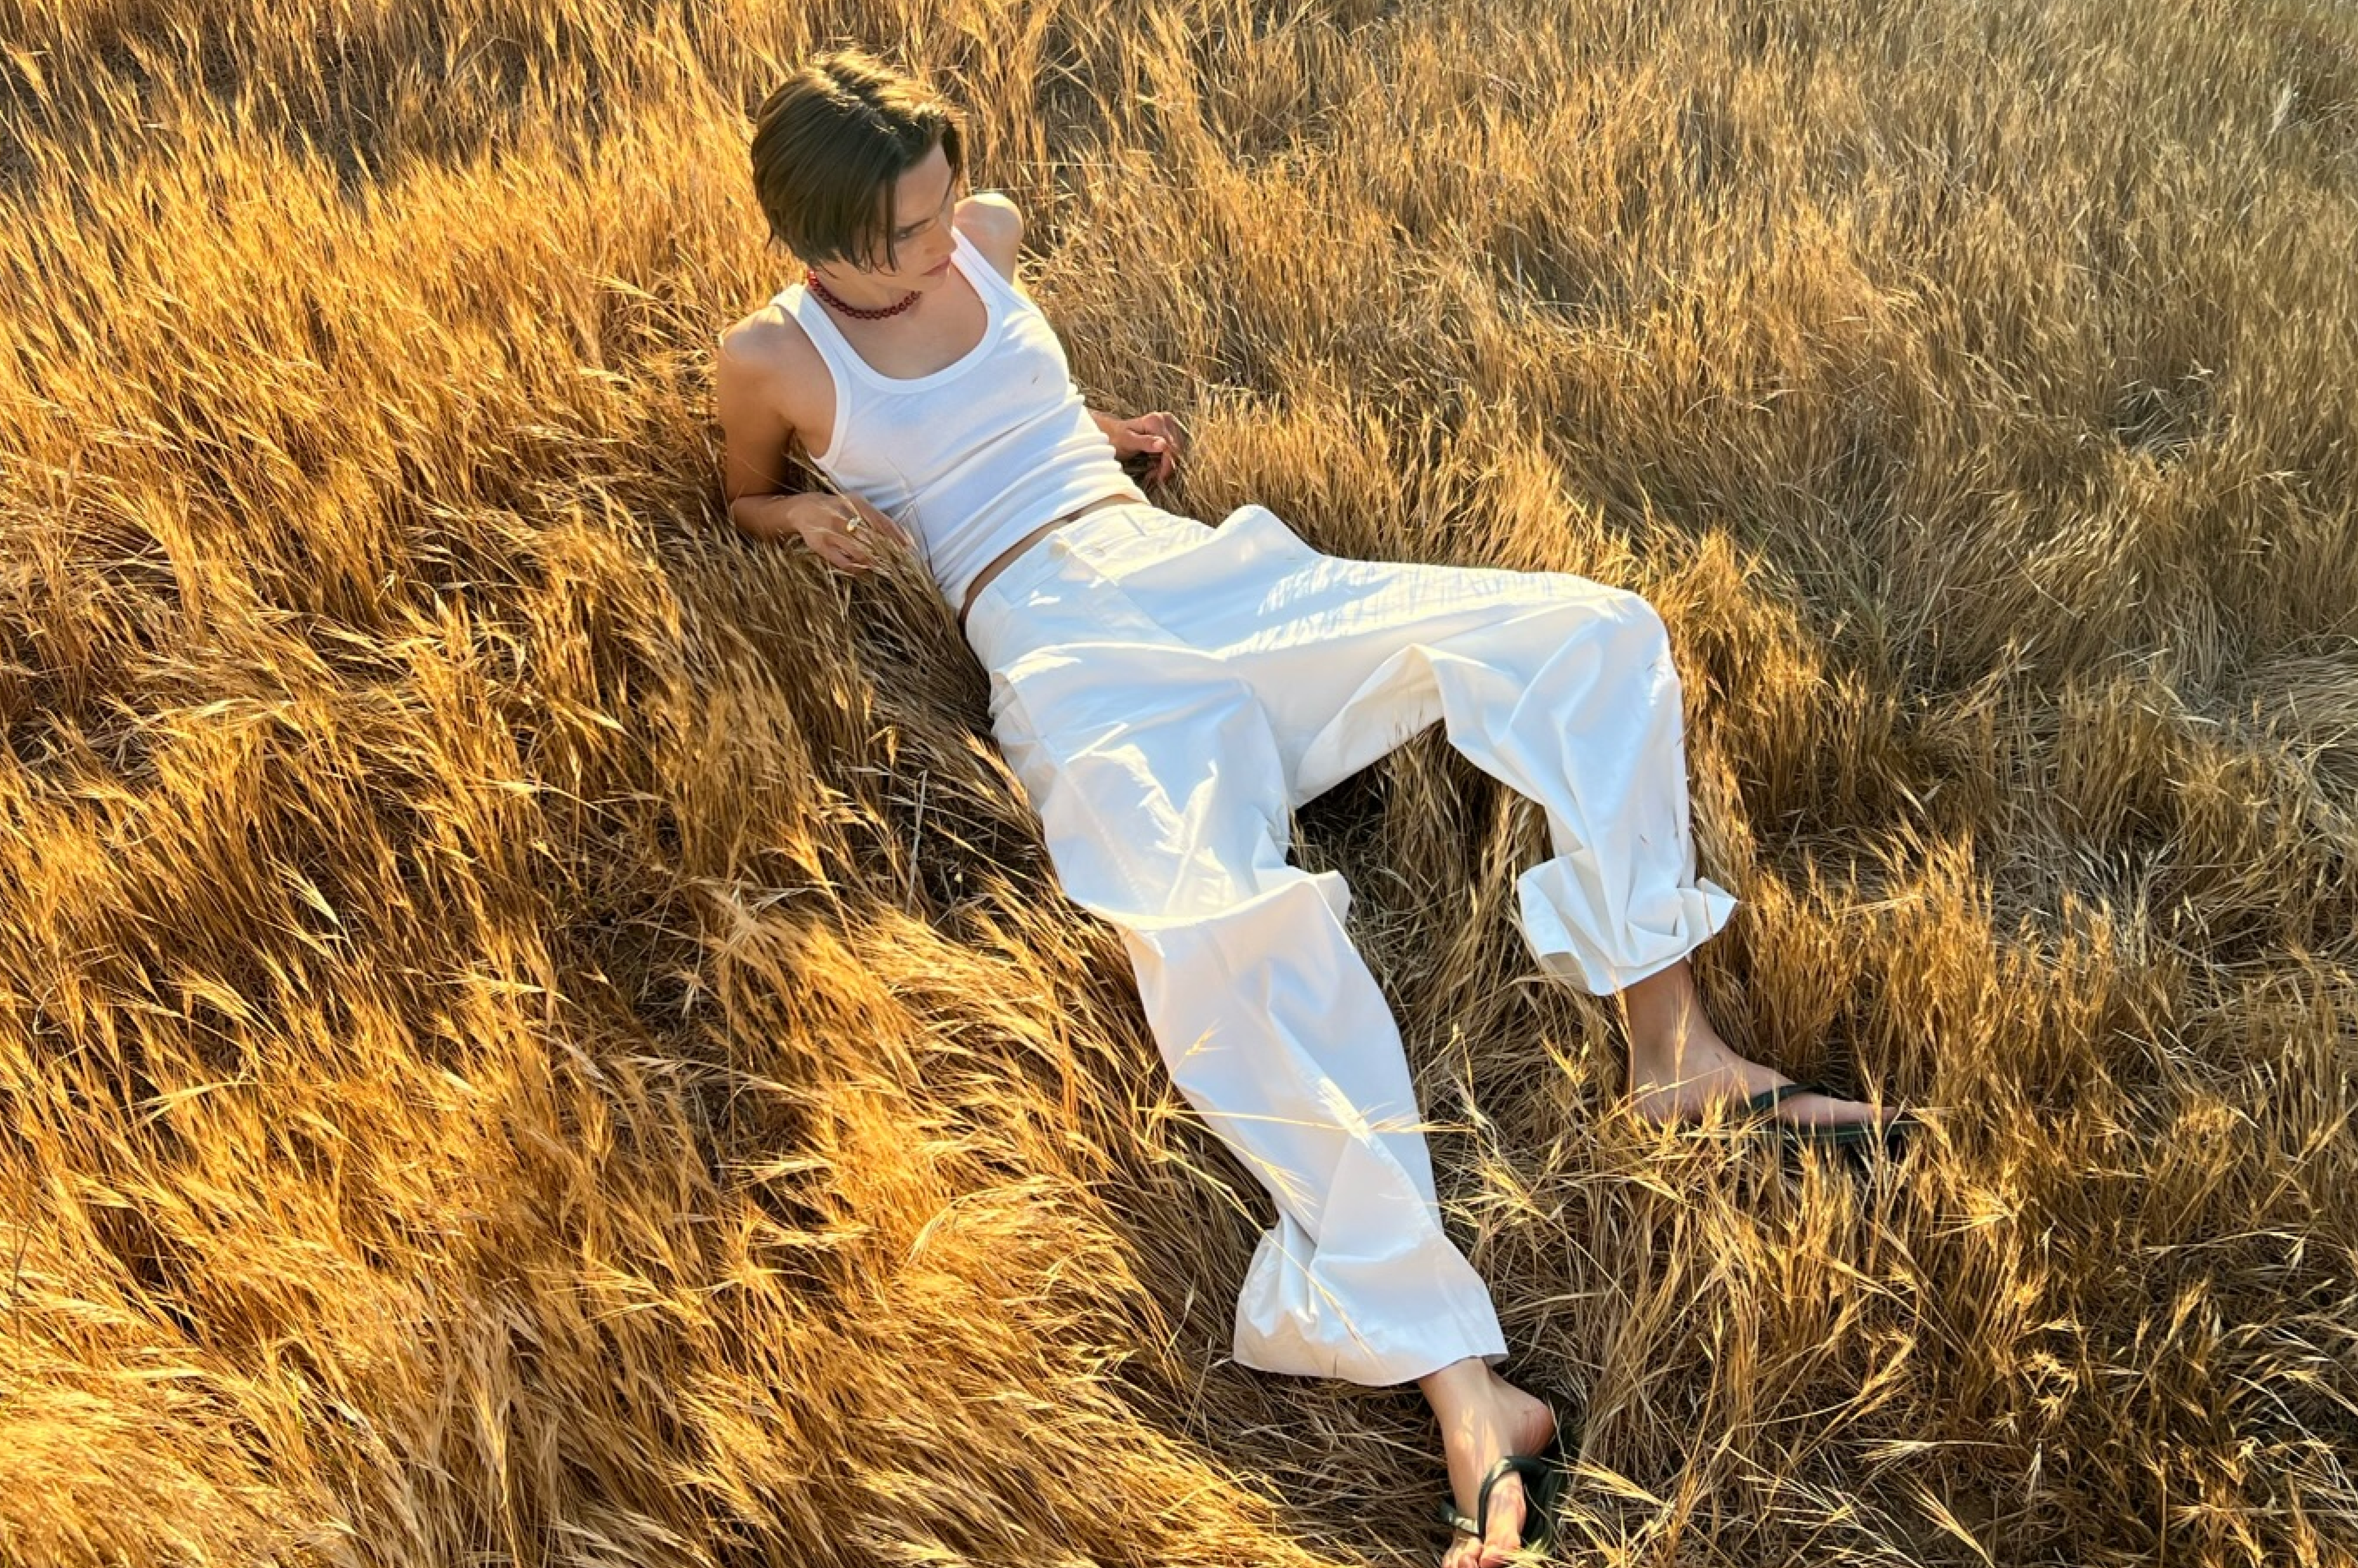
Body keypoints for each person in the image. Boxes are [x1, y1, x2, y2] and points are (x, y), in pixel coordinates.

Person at [714, 47, 1905, 1568]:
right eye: (907, 233)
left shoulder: (989, 235)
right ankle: (1463, 1387)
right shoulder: (775, 358)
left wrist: (1108, 442)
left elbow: (1028, 405)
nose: (950, 240)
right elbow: (743, 493)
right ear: (816, 242)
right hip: (1066, 661)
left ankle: (1674, 1048)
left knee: (1593, 631)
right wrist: (795, 512)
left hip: (1201, 574)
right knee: (1215, 933)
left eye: (949, 204)